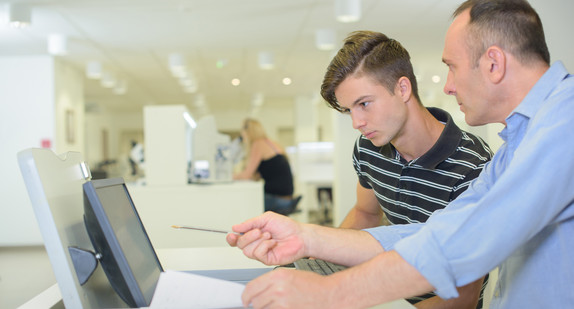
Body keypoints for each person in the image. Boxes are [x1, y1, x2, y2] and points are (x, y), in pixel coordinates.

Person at [227, 0, 574, 308]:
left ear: (494, 63)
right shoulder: (520, 142)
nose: (448, 86)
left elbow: (458, 247)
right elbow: (435, 233)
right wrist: (305, 237)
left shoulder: (564, 124)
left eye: (452, 66)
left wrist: (329, 294)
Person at [323, 31, 492, 308]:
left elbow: (463, 299)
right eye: (349, 110)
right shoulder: (368, 148)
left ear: (403, 89)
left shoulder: (473, 165)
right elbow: (366, 213)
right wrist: (325, 262)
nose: (357, 122)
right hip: (391, 294)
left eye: (364, 104)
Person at [234, 118, 296, 215]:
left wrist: (231, 177)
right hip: (287, 197)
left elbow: (247, 174)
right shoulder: (271, 143)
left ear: (247, 131)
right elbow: (259, 174)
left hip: (278, 199)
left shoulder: (258, 144)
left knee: (243, 203)